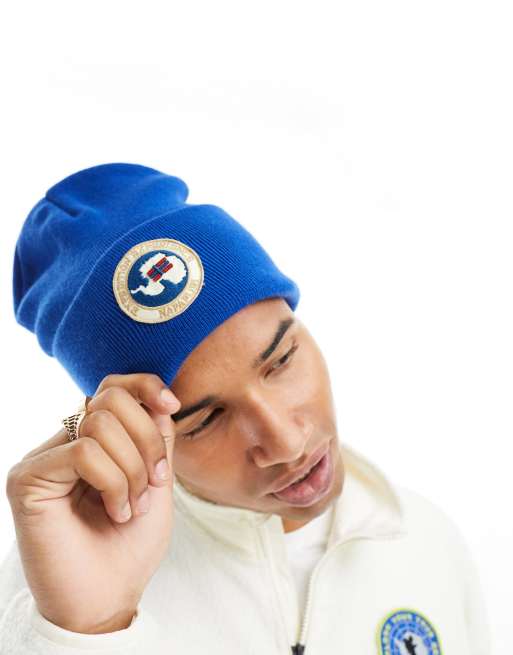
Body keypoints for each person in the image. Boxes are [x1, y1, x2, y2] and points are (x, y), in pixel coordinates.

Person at [0, 163, 491, 654]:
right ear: (132, 430)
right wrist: (89, 630)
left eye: (282, 359)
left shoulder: (426, 541)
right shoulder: (53, 588)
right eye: (205, 420)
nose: (287, 443)